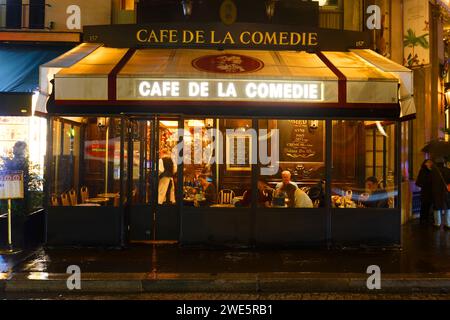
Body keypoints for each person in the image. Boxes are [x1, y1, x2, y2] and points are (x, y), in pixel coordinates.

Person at [430, 158, 450, 229]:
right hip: (446, 192)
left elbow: (430, 182)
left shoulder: (433, 171)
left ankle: (437, 224)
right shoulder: (448, 170)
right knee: (448, 207)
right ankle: (448, 224)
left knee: (437, 207)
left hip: (436, 192)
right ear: (443, 163)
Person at [415, 159, 434, 225]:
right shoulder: (423, 171)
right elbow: (418, 182)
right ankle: (423, 220)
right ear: (425, 163)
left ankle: (427, 219)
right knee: (424, 206)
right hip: (425, 191)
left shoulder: (432, 171)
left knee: (429, 206)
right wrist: (424, 184)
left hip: (431, 192)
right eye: (429, 162)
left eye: (431, 162)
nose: (431, 163)